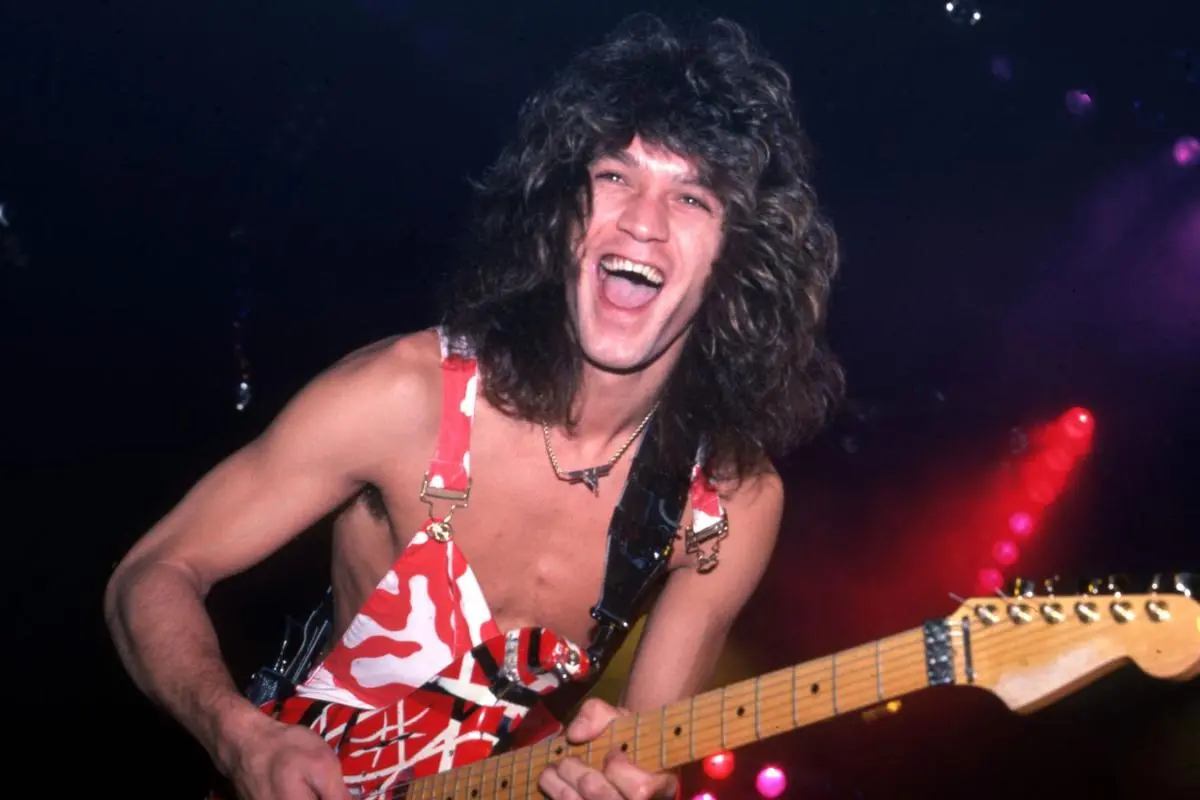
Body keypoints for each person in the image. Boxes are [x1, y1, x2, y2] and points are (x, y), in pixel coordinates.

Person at [104, 13, 843, 800]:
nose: (642, 222)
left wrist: (643, 789)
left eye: (692, 197)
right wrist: (240, 738)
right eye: (614, 177)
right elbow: (151, 572)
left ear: (740, 252)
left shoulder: (726, 500)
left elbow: (648, 748)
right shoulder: (405, 396)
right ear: (560, 212)